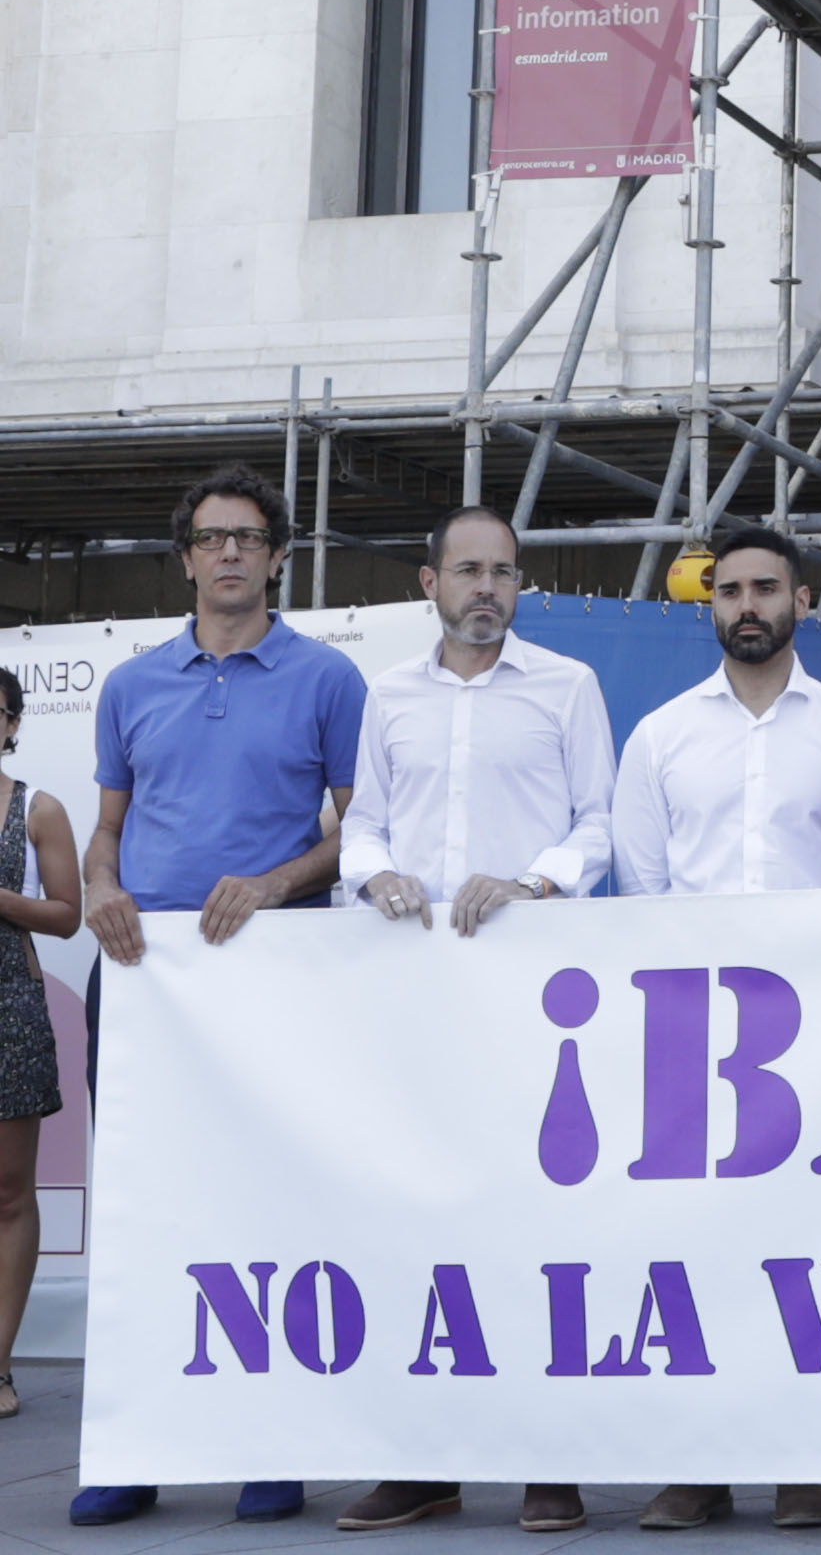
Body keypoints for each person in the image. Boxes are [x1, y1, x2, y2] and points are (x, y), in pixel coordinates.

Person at [73, 465, 367, 1530]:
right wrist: (101, 887)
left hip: (277, 970)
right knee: (143, 1206)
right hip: (145, 979)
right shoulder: (131, 684)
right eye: (212, 537)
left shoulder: (329, 679)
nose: (231, 551)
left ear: (278, 557)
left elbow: (359, 831)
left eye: (249, 536)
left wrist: (278, 883)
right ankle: (133, 1447)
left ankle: (269, 1442)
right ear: (187, 557)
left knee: (270, 1205)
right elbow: (109, 831)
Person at [333, 507, 615, 1533]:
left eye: (503, 572)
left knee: (536, 1222)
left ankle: (549, 1460)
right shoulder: (389, 694)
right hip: (414, 995)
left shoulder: (567, 686)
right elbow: (363, 823)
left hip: (532, 996)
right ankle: (425, 1461)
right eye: (468, 571)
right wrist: (376, 874)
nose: (487, 587)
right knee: (418, 1216)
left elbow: (600, 823)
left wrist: (533, 882)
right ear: (431, 583)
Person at [612, 524, 821, 1533]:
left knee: (808, 1248)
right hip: (690, 1031)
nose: (748, 606)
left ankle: (800, 1460)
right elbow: (642, 887)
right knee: (697, 1249)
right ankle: (699, 1463)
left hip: (816, 1034)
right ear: (711, 604)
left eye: (767, 588)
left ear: (802, 602)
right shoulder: (660, 736)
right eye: (730, 591)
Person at [0, 670, 79, 1426]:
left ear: (13, 724)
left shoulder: (38, 809)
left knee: (10, 1193)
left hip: (9, 1010)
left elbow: (67, 915)